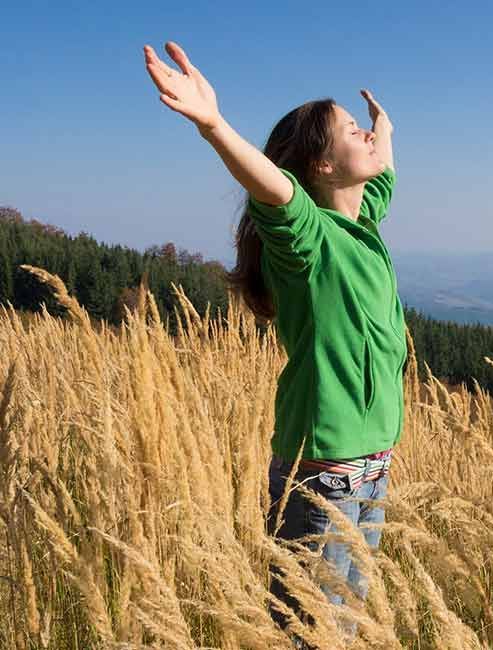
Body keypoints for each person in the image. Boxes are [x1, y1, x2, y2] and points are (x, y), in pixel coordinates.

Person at [143, 41, 407, 645]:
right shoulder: (307, 240)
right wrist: (214, 126)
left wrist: (382, 128)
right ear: (318, 165)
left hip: (373, 471)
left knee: (347, 626)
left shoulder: (363, 221)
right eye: (351, 131)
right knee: (307, 633)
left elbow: (382, 173)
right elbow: (274, 191)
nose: (366, 137)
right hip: (322, 476)